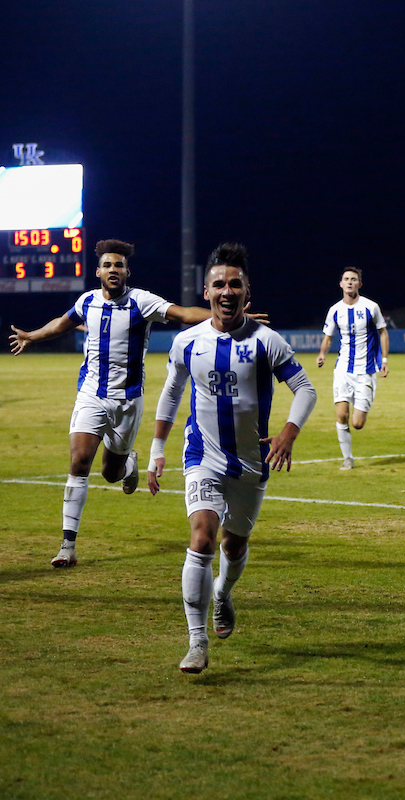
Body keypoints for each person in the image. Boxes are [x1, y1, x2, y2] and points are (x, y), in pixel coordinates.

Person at [8, 239, 241, 568]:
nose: (113, 270)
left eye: (119, 265)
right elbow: (63, 323)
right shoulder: (87, 301)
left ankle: (128, 464)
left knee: (111, 473)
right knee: (79, 462)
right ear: (98, 271)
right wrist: (31, 335)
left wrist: (226, 316)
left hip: (128, 403)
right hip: (90, 395)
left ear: (126, 271)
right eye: (108, 265)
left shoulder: (141, 301)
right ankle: (67, 546)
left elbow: (183, 313)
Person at [147, 243, 316, 674]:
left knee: (234, 543)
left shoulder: (267, 342)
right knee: (202, 537)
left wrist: (289, 433)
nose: (226, 291)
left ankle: (222, 594)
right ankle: (196, 641)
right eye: (219, 283)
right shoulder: (187, 341)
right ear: (206, 291)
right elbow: (171, 393)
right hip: (202, 454)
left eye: (234, 284)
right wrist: (157, 450)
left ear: (247, 294)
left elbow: (306, 389)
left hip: (251, 462)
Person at [316, 267, 389, 470]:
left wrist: (384, 359)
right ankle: (347, 458)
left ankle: (361, 402)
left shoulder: (371, 307)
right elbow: (328, 337)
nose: (349, 282)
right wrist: (322, 354)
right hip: (343, 369)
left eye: (354, 279)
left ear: (359, 284)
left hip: (365, 370)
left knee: (357, 423)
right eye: (346, 279)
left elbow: (383, 332)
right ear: (341, 284)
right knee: (341, 414)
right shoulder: (335, 310)